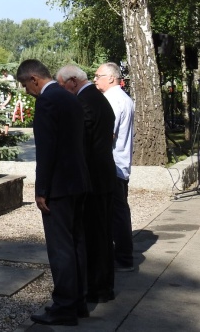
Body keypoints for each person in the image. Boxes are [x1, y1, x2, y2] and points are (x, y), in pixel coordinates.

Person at [16, 59, 90, 326]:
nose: (26, 91)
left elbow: (46, 150)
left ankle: (64, 306)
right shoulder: (70, 98)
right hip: (78, 182)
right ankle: (79, 301)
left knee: (61, 249)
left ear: (34, 79)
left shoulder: (47, 101)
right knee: (77, 243)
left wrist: (42, 190)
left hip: (59, 186)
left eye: (25, 85)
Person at [57, 64, 117, 303]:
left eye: (62, 85)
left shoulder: (85, 102)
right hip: (103, 175)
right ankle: (103, 286)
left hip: (94, 179)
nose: (62, 91)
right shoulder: (98, 98)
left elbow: (82, 144)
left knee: (95, 236)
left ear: (72, 81)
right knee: (101, 234)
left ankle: (98, 287)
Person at [94, 62, 135, 272]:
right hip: (120, 164)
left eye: (98, 75)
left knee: (116, 213)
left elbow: (107, 134)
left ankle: (123, 258)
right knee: (118, 212)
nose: (95, 79)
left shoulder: (111, 100)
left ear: (111, 78)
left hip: (113, 165)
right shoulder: (124, 98)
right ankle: (122, 255)